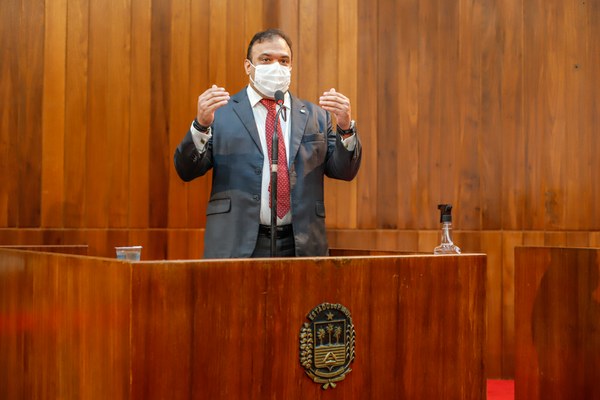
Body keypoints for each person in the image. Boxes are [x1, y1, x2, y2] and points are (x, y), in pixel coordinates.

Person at [174, 29, 362, 258]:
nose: (276, 67)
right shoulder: (221, 113)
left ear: (291, 66)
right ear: (248, 66)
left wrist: (345, 128)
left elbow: (344, 171)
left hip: (300, 243)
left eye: (283, 61)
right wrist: (201, 125)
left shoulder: (316, 116)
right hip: (236, 241)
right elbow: (187, 170)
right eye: (266, 59)